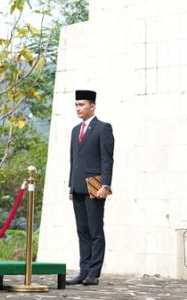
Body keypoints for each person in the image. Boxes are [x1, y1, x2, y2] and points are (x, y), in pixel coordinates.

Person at [66, 89, 114, 286]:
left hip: (95, 183)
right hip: (77, 185)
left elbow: (107, 158)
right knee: (82, 230)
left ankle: (94, 273)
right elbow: (73, 160)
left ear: (92, 106)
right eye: (76, 105)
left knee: (95, 230)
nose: (78, 108)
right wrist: (70, 185)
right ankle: (83, 271)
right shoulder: (75, 130)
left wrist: (106, 184)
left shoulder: (103, 128)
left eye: (82, 105)